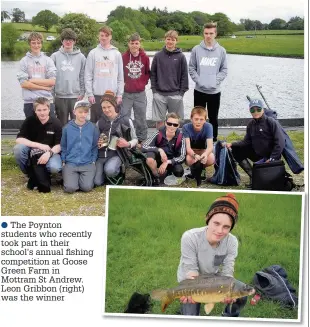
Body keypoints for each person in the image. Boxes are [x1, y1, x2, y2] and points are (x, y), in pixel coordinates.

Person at [177, 193, 248, 317]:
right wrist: (192, 291)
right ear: (208, 219)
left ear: (231, 227)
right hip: (191, 280)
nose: (220, 231)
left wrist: (227, 290)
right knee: (190, 315)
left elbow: (227, 271)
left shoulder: (232, 242)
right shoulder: (190, 237)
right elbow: (191, 270)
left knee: (243, 292)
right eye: (216, 223)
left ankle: (229, 316)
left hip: (214, 279)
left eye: (226, 227)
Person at [225, 99, 285, 186]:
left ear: (263, 110)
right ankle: (253, 176)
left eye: (258, 109)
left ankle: (261, 175)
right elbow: (246, 141)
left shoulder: (271, 122)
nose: (255, 112)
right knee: (236, 150)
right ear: (250, 111)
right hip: (257, 154)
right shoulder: (250, 124)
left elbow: (280, 142)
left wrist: (273, 158)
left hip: (270, 157)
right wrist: (232, 144)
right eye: (252, 110)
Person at [189, 22, 228, 142]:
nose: (208, 36)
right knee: (198, 117)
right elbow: (191, 68)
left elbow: (224, 70)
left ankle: (213, 141)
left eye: (211, 33)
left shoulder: (221, 51)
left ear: (215, 34)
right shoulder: (196, 49)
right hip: (199, 90)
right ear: (203, 34)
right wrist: (199, 81)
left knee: (213, 118)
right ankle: (197, 140)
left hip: (214, 91)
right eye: (206, 33)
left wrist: (214, 82)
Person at [13, 97, 62, 189]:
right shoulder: (29, 121)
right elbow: (19, 139)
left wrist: (49, 153)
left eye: (44, 109)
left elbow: (59, 145)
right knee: (18, 149)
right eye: (39, 110)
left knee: (54, 167)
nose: (42, 113)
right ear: (35, 111)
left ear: (49, 109)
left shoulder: (56, 123)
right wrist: (38, 145)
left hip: (50, 152)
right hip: (32, 152)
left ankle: (46, 175)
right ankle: (30, 173)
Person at [94, 91, 138, 186]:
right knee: (97, 182)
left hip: (117, 154)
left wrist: (127, 144)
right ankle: (105, 172)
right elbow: (95, 140)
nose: (106, 110)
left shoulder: (126, 120)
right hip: (101, 155)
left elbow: (135, 139)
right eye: (104, 108)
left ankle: (118, 171)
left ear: (115, 106)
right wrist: (97, 143)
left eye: (109, 107)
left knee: (110, 170)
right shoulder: (100, 122)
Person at [85, 26, 124, 123]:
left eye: (106, 35)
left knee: (112, 122)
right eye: (102, 35)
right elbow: (88, 75)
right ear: (98, 36)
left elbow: (120, 76)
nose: (104, 38)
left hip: (112, 95)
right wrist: (89, 94)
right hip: (97, 95)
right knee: (96, 123)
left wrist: (119, 95)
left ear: (110, 37)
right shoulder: (93, 53)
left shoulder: (117, 54)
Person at [151, 30, 188, 129]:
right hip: (159, 94)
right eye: (168, 39)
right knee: (159, 122)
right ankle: (160, 141)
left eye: (173, 40)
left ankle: (175, 143)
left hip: (176, 95)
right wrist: (154, 91)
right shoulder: (158, 56)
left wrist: (181, 94)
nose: (170, 42)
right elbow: (153, 74)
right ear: (165, 40)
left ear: (176, 41)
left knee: (175, 122)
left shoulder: (181, 57)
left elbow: (184, 76)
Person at [60, 100, 99, 193]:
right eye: (80, 112)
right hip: (71, 163)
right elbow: (63, 146)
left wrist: (93, 160)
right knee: (70, 189)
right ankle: (71, 180)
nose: (83, 115)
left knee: (87, 188)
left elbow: (94, 146)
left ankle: (77, 179)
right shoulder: (66, 128)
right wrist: (64, 160)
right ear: (74, 112)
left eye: (85, 112)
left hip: (87, 163)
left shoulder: (93, 128)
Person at [50, 28, 86, 125]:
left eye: (71, 40)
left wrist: (82, 92)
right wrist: (52, 94)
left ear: (74, 41)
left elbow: (83, 76)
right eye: (66, 39)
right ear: (62, 41)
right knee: (62, 124)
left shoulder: (81, 57)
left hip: (76, 96)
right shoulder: (54, 56)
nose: (68, 42)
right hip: (60, 96)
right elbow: (51, 77)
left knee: (77, 123)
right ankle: (62, 140)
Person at [17, 32, 57, 118]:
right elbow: (24, 84)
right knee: (32, 130)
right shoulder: (23, 61)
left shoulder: (48, 60)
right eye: (33, 43)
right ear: (29, 44)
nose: (36, 45)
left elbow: (52, 82)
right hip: (30, 103)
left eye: (38, 43)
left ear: (41, 44)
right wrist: (45, 87)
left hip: (47, 101)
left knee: (49, 130)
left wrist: (31, 80)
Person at [142, 112, 186, 185]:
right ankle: (156, 175)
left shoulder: (181, 137)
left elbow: (182, 156)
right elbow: (144, 146)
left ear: (178, 126)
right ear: (165, 123)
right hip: (158, 159)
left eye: (175, 125)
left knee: (179, 172)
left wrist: (167, 162)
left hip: (171, 161)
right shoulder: (158, 133)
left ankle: (167, 173)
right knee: (150, 156)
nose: (172, 126)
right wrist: (159, 150)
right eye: (169, 123)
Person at [122, 33, 150, 144]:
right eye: (132, 43)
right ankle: (126, 139)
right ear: (128, 44)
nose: (134, 45)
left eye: (136, 43)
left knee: (141, 117)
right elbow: (120, 73)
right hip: (126, 93)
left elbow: (148, 73)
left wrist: (142, 83)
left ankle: (141, 140)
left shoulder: (145, 58)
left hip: (140, 93)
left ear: (140, 44)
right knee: (125, 117)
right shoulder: (123, 57)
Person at [182, 106, 215, 186]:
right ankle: (193, 171)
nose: (198, 122)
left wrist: (205, 154)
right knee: (189, 160)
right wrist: (194, 155)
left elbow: (210, 146)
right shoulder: (186, 127)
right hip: (192, 151)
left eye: (201, 119)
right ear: (191, 118)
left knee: (211, 158)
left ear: (205, 120)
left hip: (203, 150)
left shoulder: (208, 126)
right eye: (196, 119)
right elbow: (188, 147)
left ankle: (202, 169)